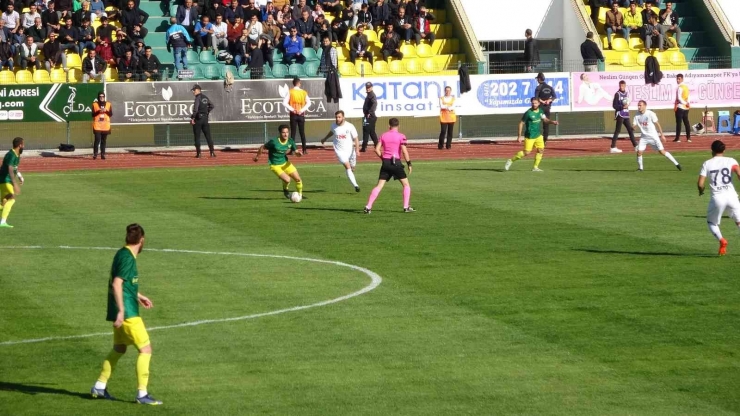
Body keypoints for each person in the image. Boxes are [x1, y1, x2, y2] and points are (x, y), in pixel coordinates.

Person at [90, 224, 162, 406]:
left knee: (119, 349)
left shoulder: (122, 253)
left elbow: (124, 284)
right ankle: (142, 394)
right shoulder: (128, 258)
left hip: (123, 310)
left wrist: (138, 295)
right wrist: (122, 311)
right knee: (145, 350)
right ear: (142, 240)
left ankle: (99, 386)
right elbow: (116, 283)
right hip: (127, 314)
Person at [697, 140, 740, 256]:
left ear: (712, 150)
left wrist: (701, 191)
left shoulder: (707, 163)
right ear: (724, 150)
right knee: (739, 221)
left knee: (712, 222)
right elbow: (739, 173)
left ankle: (722, 240)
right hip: (732, 197)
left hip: (718, 198)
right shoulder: (731, 160)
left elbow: (700, 183)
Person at [363, 117, 414, 214]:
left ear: (389, 126)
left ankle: (368, 206)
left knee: (379, 186)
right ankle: (406, 206)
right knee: (406, 184)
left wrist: (383, 158)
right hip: (396, 162)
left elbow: (376, 150)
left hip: (386, 163)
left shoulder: (383, 135)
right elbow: (404, 151)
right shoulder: (401, 136)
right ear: (398, 126)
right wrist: (409, 163)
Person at [504, 97, 559, 172]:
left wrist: (552, 122)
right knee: (526, 152)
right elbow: (521, 123)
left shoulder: (540, 111)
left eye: (535, 103)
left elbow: (545, 119)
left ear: (539, 103)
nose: (534, 104)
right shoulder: (528, 113)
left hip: (538, 135)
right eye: (532, 103)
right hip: (530, 136)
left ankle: (535, 167)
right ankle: (510, 161)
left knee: (541, 150)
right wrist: (519, 136)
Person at [253, 124, 304, 200]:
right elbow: (262, 147)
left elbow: (296, 152)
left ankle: (300, 195)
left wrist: (299, 154)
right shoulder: (274, 142)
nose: (285, 134)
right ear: (280, 133)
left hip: (285, 163)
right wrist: (257, 157)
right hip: (275, 165)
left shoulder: (290, 141)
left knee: (298, 179)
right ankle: (285, 189)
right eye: (283, 132)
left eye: (287, 132)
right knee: (287, 180)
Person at [633, 100, 681, 171]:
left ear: (645, 106)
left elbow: (657, 124)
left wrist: (662, 135)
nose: (639, 107)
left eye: (640, 105)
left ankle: (676, 164)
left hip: (653, 136)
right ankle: (640, 168)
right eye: (638, 105)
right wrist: (633, 127)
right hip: (644, 137)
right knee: (639, 152)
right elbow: (634, 124)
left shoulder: (650, 113)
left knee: (662, 152)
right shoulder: (636, 115)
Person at [320, 110, 361, 192]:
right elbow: (332, 132)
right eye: (336, 117)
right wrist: (325, 139)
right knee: (347, 166)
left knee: (352, 168)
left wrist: (357, 149)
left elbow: (356, 138)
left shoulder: (350, 126)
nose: (337, 119)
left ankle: (352, 174)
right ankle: (356, 185)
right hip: (340, 151)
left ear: (343, 117)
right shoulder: (333, 125)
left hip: (350, 150)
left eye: (339, 117)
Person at [282, 77, 311, 154]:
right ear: (299, 83)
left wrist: (292, 109)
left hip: (293, 114)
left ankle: (292, 150)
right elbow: (309, 103)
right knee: (302, 132)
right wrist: (301, 110)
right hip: (301, 114)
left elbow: (284, 102)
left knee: (293, 133)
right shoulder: (304, 92)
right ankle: (304, 150)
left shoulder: (290, 92)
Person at [0, 137, 23, 229]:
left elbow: (14, 168)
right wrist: (15, 183)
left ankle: (3, 221)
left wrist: (20, 176)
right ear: (19, 145)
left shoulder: (17, 155)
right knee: (12, 198)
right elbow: (10, 168)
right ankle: (3, 222)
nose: (23, 146)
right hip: (5, 180)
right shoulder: (11, 155)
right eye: (23, 144)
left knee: (3, 203)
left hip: (5, 180)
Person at [610, 80, 637, 153]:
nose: (622, 87)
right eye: (620, 86)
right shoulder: (617, 94)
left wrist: (627, 106)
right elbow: (614, 106)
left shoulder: (627, 94)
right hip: (620, 114)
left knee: (630, 130)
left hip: (626, 114)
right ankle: (613, 147)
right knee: (617, 131)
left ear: (625, 86)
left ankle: (636, 146)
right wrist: (622, 107)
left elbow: (627, 103)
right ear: (619, 86)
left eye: (623, 86)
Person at [190, 84, 216, 158]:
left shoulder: (198, 98)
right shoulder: (205, 97)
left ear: (198, 90)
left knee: (197, 137)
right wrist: (206, 111)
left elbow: (195, 109)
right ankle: (212, 152)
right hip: (205, 119)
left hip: (198, 119)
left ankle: (199, 153)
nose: (193, 92)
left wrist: (193, 118)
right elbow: (212, 106)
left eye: (194, 90)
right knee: (208, 136)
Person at [534, 72, 556, 142]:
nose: (537, 80)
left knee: (536, 122)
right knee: (546, 124)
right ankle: (545, 140)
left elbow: (536, 98)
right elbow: (554, 96)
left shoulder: (538, 88)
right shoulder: (550, 87)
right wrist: (549, 100)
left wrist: (542, 101)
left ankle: (536, 139)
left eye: (537, 79)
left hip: (540, 109)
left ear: (539, 79)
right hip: (547, 108)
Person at [92, 92, 111, 159]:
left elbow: (110, 114)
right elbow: (93, 115)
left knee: (104, 140)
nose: (101, 97)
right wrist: (99, 111)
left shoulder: (108, 104)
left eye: (103, 96)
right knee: (97, 140)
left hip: (105, 126)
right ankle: (95, 154)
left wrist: (105, 111)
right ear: (98, 97)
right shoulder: (95, 104)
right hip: (97, 125)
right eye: (100, 96)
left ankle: (103, 154)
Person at [361, 81, 377, 152]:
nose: (367, 88)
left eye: (369, 87)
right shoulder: (369, 95)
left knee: (366, 131)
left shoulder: (372, 95)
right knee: (371, 131)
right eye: (367, 87)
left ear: (372, 87)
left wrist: (370, 112)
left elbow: (374, 103)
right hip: (367, 116)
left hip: (369, 117)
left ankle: (364, 147)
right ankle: (377, 145)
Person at [674, 73, 690, 143]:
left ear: (682, 79)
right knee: (686, 122)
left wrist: (685, 103)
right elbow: (688, 97)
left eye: (679, 79)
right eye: (677, 79)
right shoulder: (686, 87)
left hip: (680, 107)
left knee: (679, 123)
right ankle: (688, 138)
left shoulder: (680, 87)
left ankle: (677, 138)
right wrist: (687, 103)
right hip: (686, 108)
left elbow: (679, 98)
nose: (677, 80)